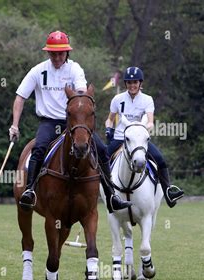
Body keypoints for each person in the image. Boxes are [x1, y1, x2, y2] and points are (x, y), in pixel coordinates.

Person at [9, 30, 131, 213]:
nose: (57, 57)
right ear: (48, 52)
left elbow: (81, 93)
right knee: (39, 148)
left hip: (74, 122)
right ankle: (30, 190)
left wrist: (80, 111)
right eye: (53, 53)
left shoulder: (74, 69)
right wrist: (15, 125)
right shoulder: (38, 70)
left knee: (102, 149)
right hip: (49, 122)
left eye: (60, 53)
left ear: (67, 52)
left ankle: (111, 194)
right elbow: (20, 97)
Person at [105, 66, 184, 207]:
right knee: (101, 160)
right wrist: (108, 129)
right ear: (125, 84)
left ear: (140, 83)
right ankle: (104, 194)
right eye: (129, 82)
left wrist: (142, 129)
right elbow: (110, 119)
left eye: (135, 82)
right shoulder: (117, 99)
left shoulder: (147, 99)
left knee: (159, 159)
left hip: (139, 140)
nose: (132, 85)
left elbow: (150, 122)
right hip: (119, 137)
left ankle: (168, 192)